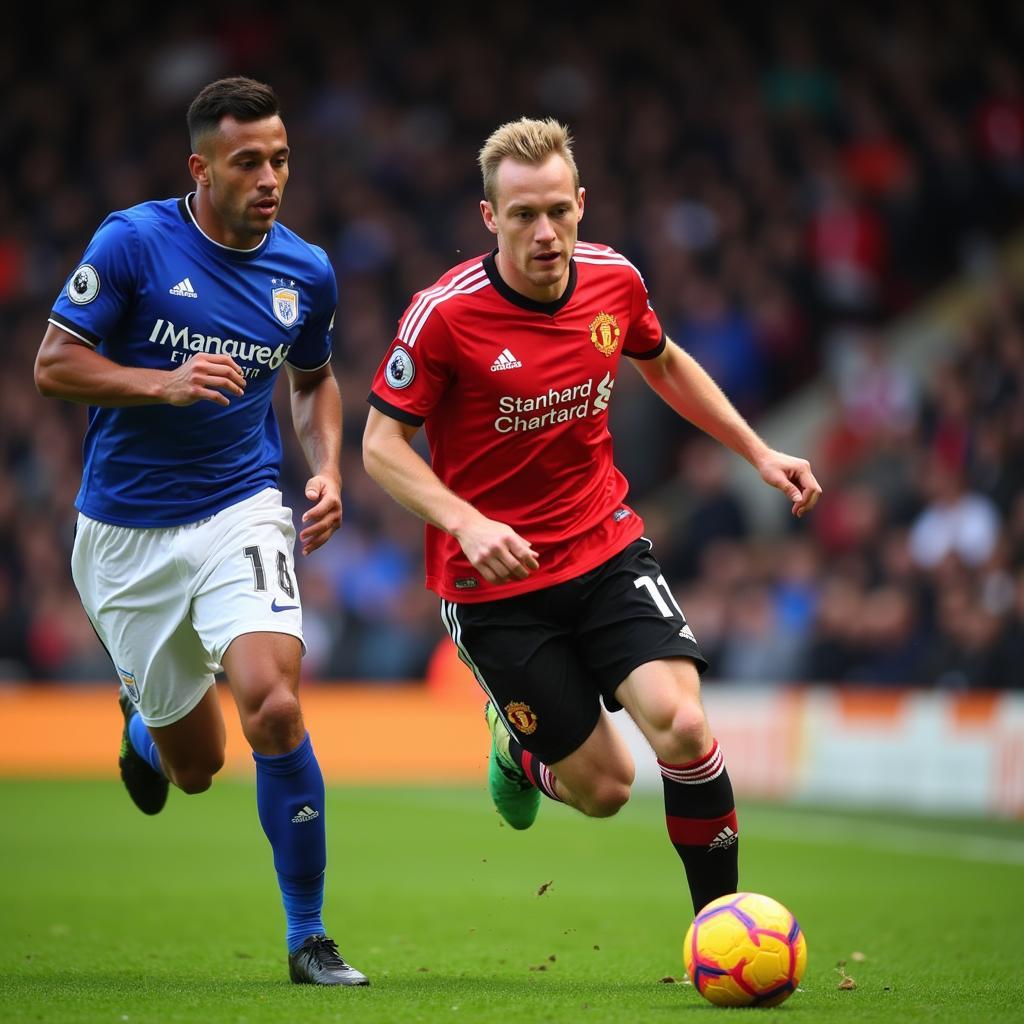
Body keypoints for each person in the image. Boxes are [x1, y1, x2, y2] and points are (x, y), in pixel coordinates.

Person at [362, 117, 821, 921]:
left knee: (681, 725)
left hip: (604, 547)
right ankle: (517, 749)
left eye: (558, 212)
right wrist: (465, 520)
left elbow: (665, 361)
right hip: (494, 586)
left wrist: (757, 450)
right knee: (609, 790)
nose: (545, 234)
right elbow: (380, 447)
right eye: (522, 216)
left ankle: (720, 930)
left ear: (581, 203)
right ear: (488, 218)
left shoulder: (615, 281)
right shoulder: (443, 315)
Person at [34, 77, 367, 987]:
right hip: (125, 536)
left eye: (281, 159)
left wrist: (328, 468)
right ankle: (146, 724)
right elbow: (53, 363)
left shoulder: (305, 271)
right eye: (248, 161)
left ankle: (309, 937)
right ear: (202, 167)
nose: (270, 178)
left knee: (276, 703)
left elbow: (312, 380)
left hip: (240, 506)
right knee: (196, 768)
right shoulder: (134, 242)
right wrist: (161, 383)